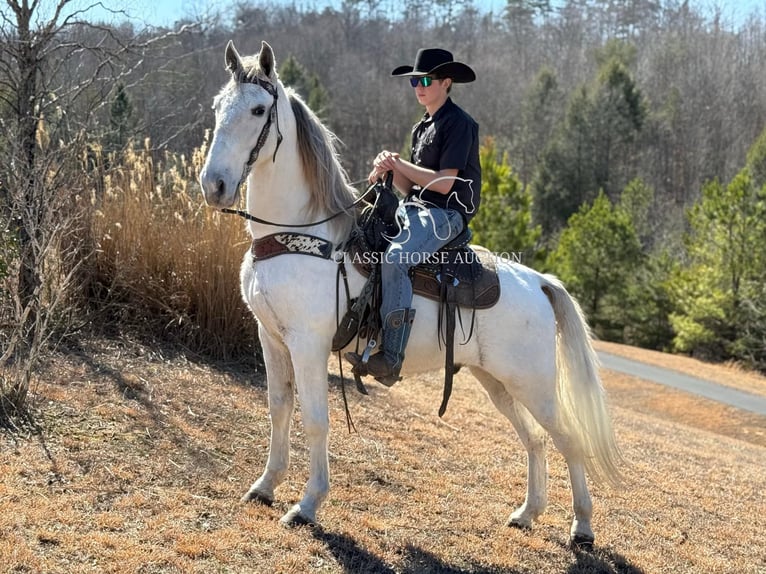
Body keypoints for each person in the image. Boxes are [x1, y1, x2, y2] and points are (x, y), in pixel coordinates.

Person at [347, 47, 482, 384]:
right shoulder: (421, 127)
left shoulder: (459, 124)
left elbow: (445, 183)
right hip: (419, 209)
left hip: (447, 214)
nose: (418, 86)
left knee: (396, 260)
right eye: (414, 82)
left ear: (446, 83)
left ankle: (391, 358)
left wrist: (398, 162)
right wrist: (388, 170)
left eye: (425, 80)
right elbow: (413, 187)